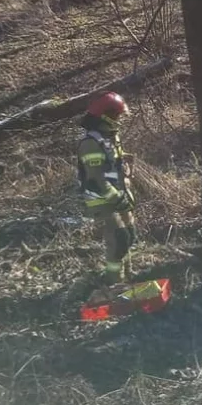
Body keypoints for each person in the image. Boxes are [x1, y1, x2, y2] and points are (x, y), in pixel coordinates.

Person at [77, 91, 137, 286]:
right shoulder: (90, 144)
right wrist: (118, 197)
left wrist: (125, 161)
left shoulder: (111, 137)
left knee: (129, 235)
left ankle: (128, 276)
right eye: (117, 116)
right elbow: (97, 178)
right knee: (118, 238)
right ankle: (113, 281)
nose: (119, 119)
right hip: (101, 197)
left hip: (117, 192)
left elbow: (113, 161)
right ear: (106, 116)